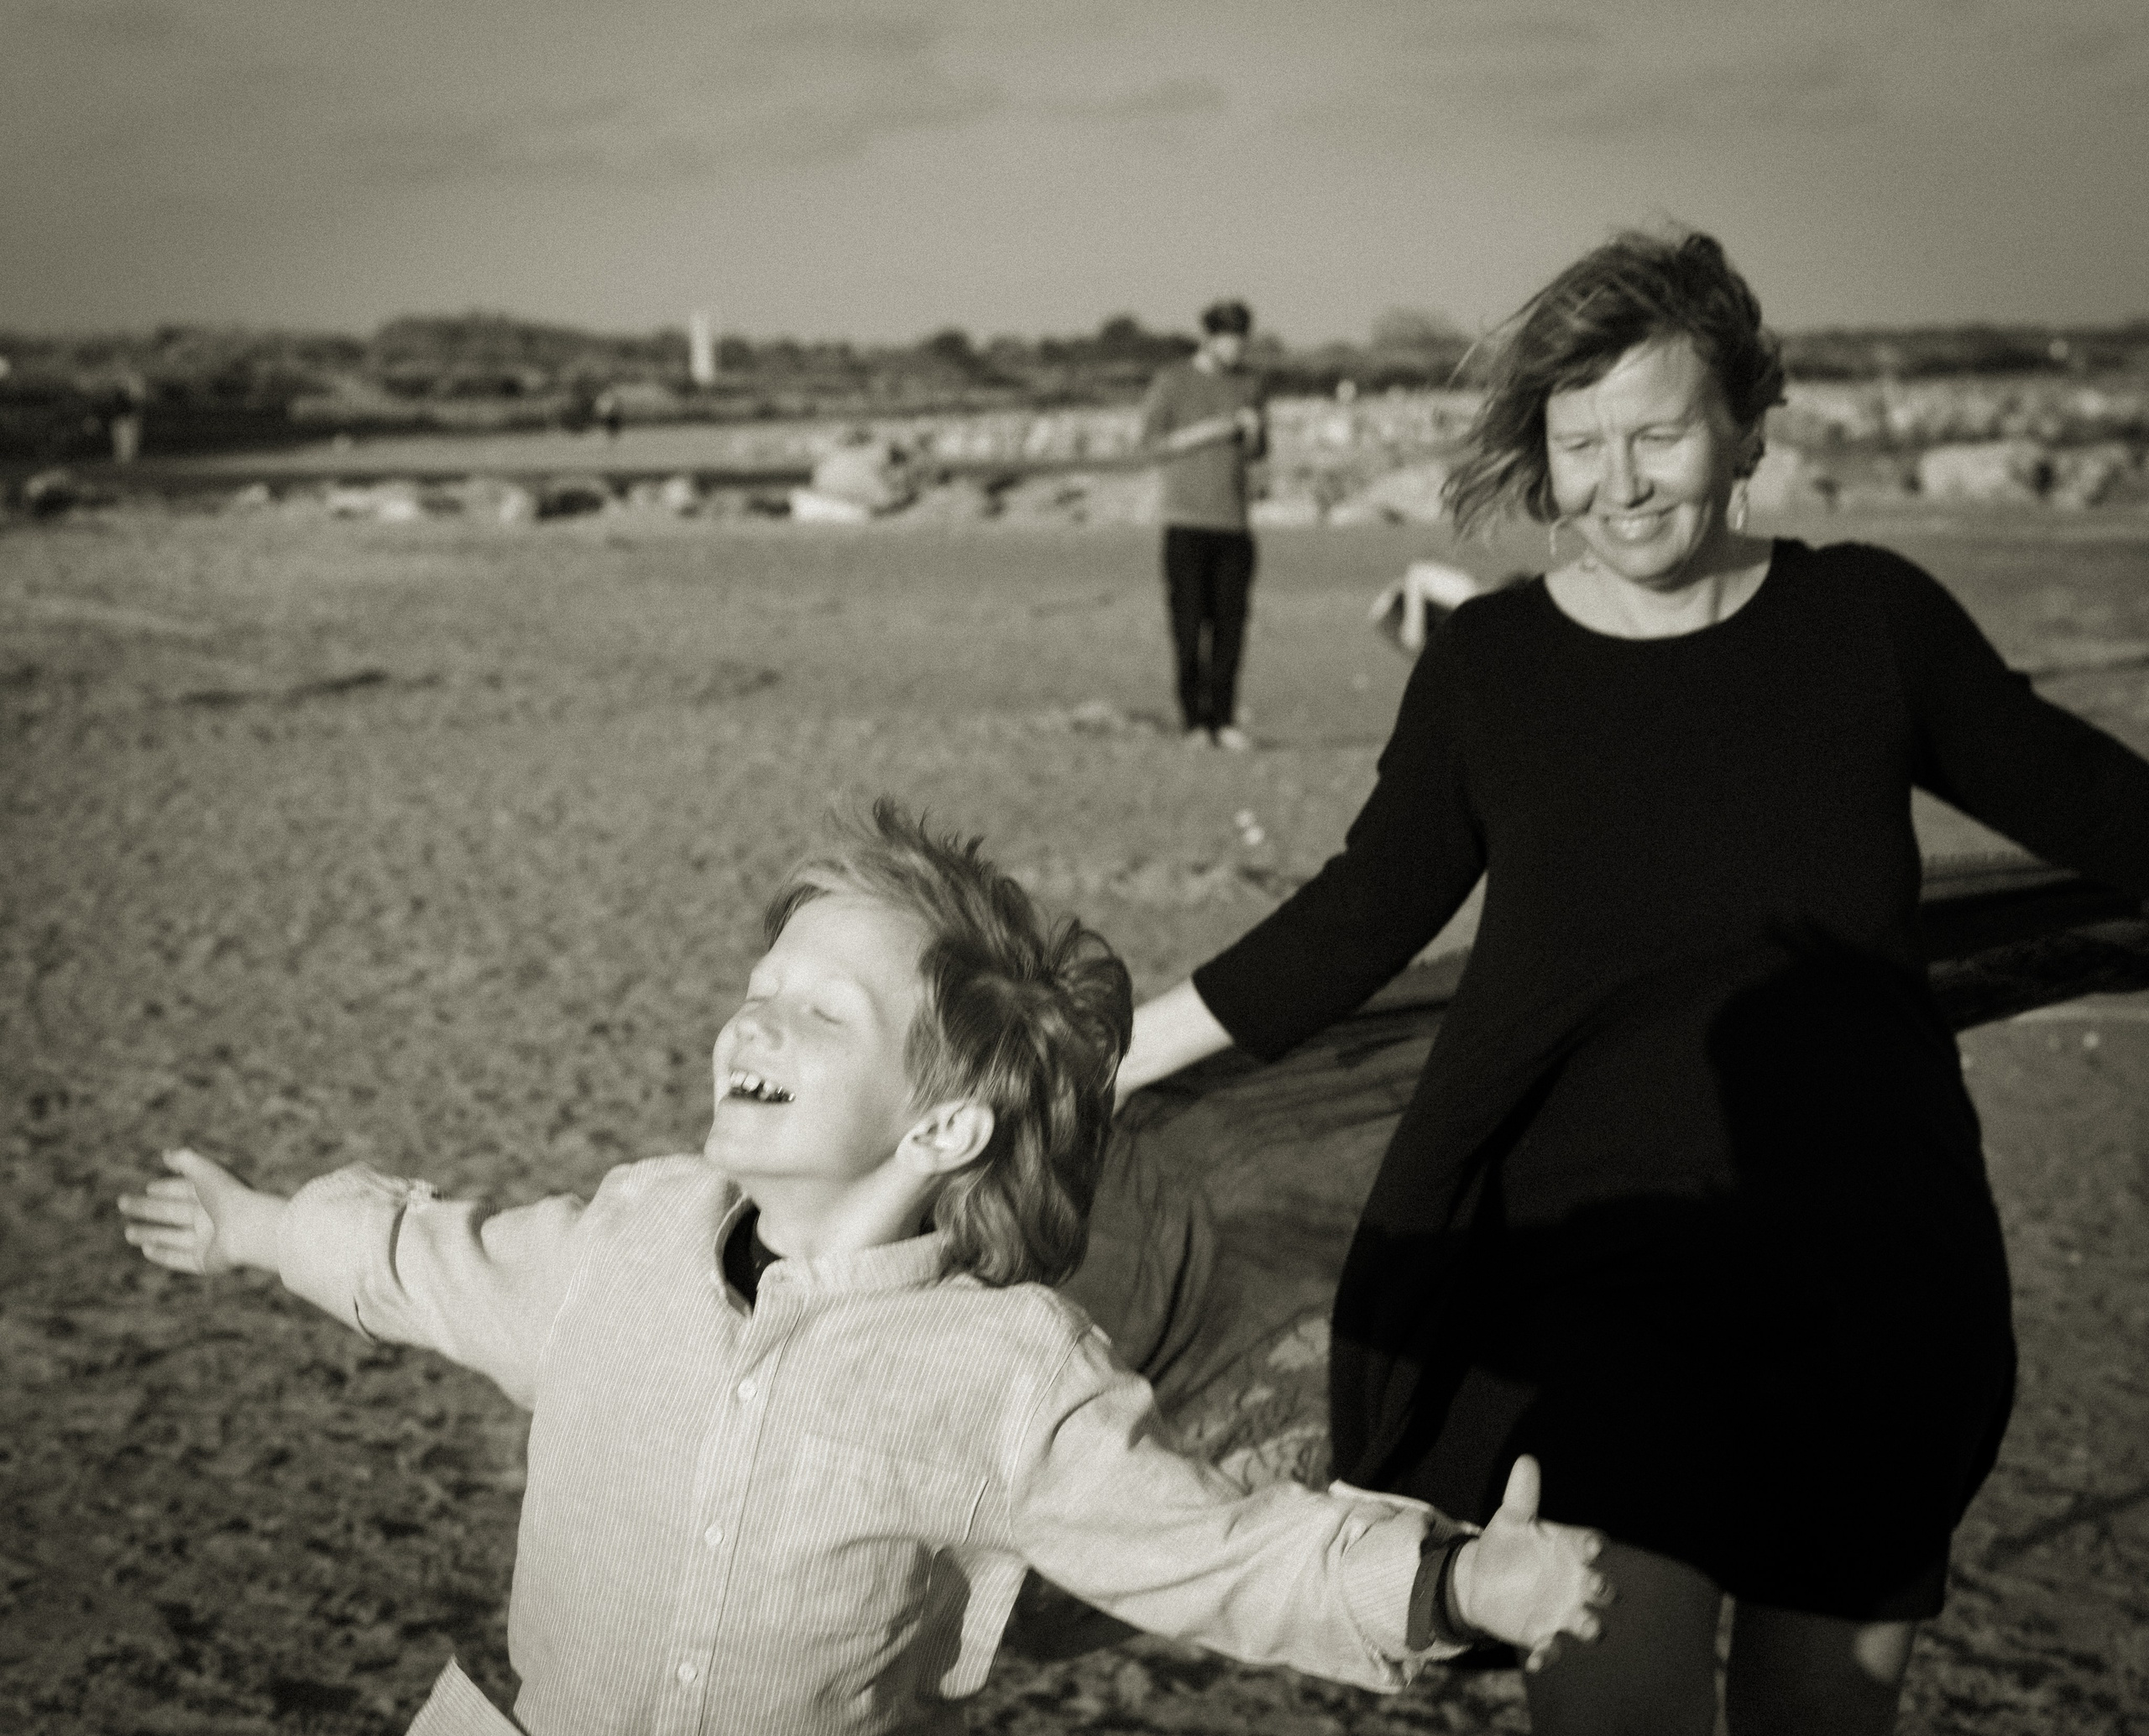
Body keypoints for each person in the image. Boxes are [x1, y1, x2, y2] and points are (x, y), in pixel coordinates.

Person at [1113, 229, 2149, 1736]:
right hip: (1587, 1282)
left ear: (1747, 430)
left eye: (1659, 432)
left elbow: (2099, 805)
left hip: (1874, 1265)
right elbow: (1357, 917)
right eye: (1579, 442)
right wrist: (1108, 1064)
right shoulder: (1494, 667)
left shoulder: (1871, 622)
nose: (1619, 479)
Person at [119, 801, 1610, 1736]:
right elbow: (424, 1257)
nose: (753, 1022)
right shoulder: (621, 1244)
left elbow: (1214, 1552)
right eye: (758, 991)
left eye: (819, 1011)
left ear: (947, 1119)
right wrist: (261, 1226)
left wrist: (1459, 1580)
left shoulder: (1008, 1372)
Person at [1139, 299, 1268, 749]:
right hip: (1186, 524)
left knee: (1231, 629)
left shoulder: (1250, 385)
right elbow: (1151, 445)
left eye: (1242, 341)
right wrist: (1213, 429)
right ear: (1210, 337)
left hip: (1235, 526)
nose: (1237, 349)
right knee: (1188, 626)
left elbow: (1258, 454)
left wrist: (1252, 435)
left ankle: (1224, 721)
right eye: (1230, 340)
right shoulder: (1173, 381)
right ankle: (1194, 722)